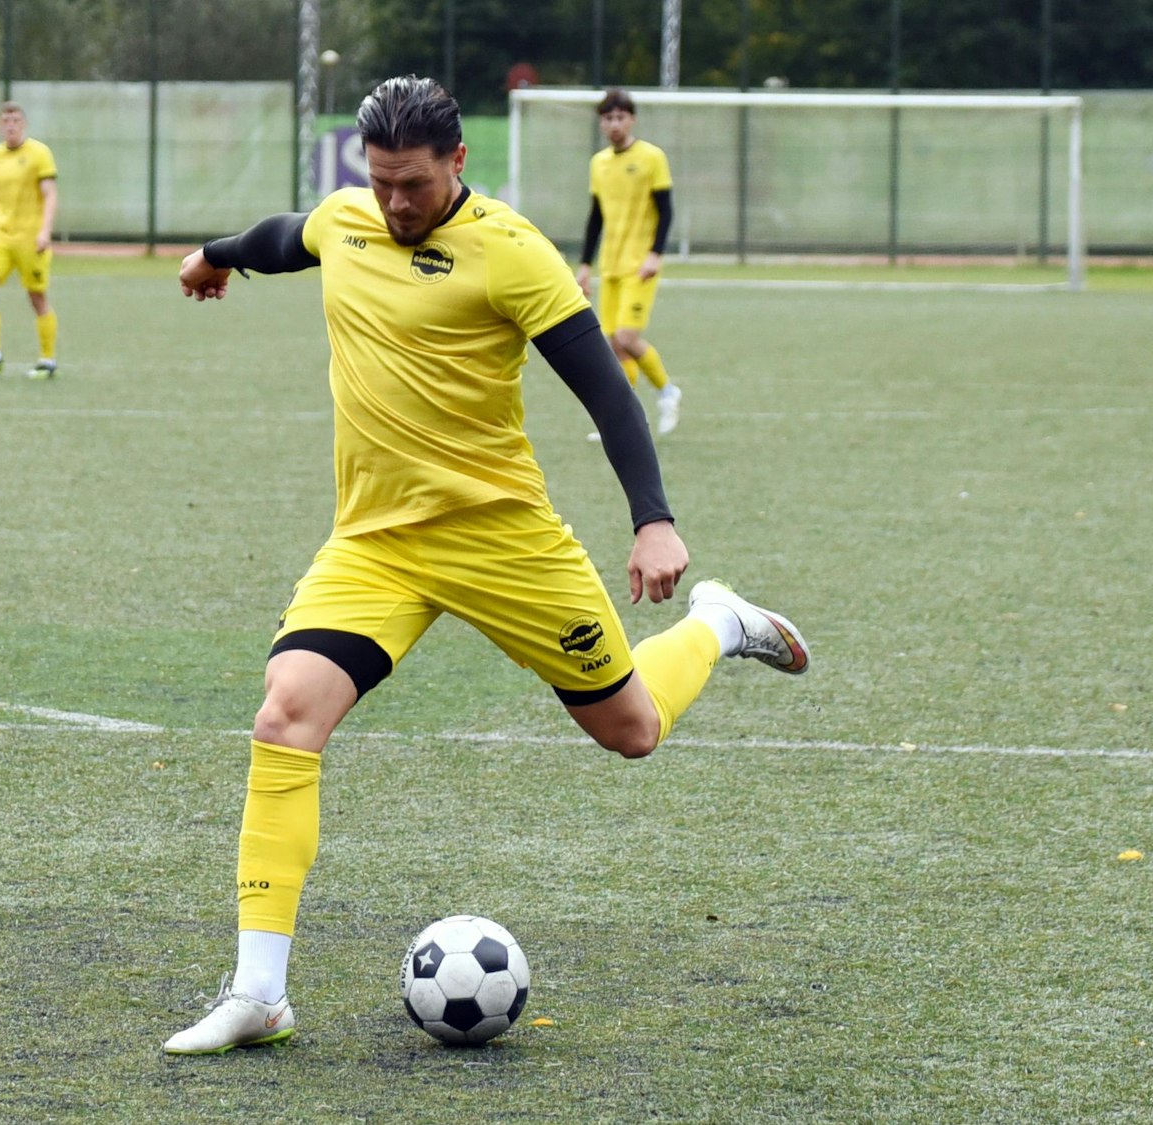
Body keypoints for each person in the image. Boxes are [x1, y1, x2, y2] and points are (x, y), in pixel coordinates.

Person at [162, 76, 809, 1056]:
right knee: (285, 714)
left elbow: (606, 393)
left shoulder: (512, 252)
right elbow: (282, 237)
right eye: (380, 182)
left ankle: (717, 622)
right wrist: (215, 257)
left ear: (458, 163)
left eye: (414, 184)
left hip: (504, 541)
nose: (394, 203)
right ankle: (260, 993)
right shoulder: (347, 219)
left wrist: (654, 520)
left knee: (630, 730)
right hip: (376, 544)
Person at [577, 88, 682, 439]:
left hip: (641, 266)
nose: (614, 124)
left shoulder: (652, 157)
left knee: (626, 336)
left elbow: (666, 211)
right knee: (614, 345)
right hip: (611, 265)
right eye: (608, 118)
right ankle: (624, 422)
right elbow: (595, 218)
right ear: (601, 123)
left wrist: (655, 254)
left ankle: (668, 391)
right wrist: (585, 265)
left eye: (620, 117)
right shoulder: (599, 163)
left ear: (632, 119)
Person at [0, 102, 59, 380]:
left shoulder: (39, 153)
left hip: (30, 239)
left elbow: (50, 195)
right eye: (6, 121)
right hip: (0, 237)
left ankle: (47, 360)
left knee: (37, 297)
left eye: (16, 120)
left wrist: (45, 232)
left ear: (24, 124)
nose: (11, 126)